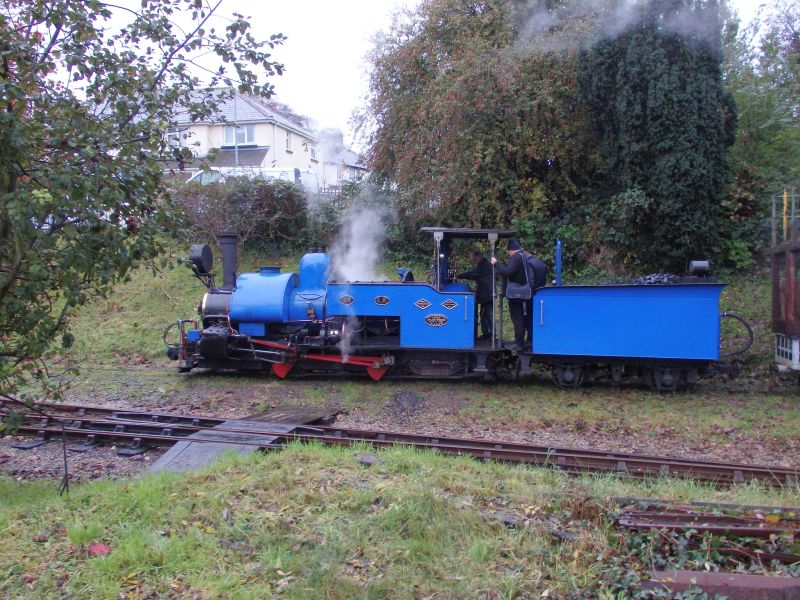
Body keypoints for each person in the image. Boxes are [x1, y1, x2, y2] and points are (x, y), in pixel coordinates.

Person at [491, 239, 531, 351]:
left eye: (508, 251)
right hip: (520, 292)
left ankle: (518, 343)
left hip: (515, 294)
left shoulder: (516, 257)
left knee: (517, 318)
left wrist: (496, 264)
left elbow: (508, 272)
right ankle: (519, 341)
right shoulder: (522, 256)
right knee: (519, 317)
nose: (508, 254)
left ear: (511, 250)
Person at [456, 250, 493, 340]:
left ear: (477, 258)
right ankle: (487, 334)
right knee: (485, 314)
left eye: (473, 259)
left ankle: (489, 335)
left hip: (487, 293)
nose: (473, 261)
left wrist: (460, 275)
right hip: (487, 292)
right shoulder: (484, 264)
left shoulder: (483, 265)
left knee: (486, 314)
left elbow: (474, 274)